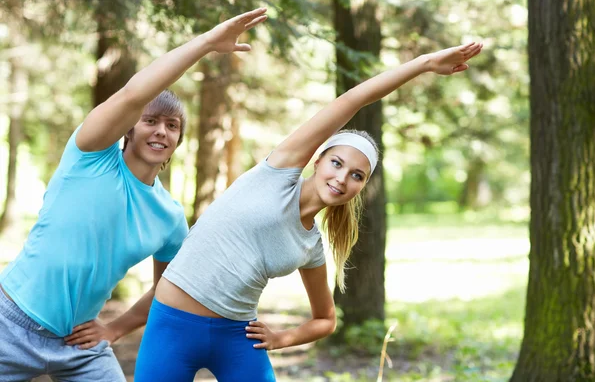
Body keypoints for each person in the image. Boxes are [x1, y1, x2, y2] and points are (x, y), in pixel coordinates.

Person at [133, 40, 483, 382]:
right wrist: (423, 64)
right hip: (173, 325)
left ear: (361, 187)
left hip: (237, 337)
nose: (342, 178)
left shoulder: (311, 245)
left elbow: (325, 319)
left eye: (357, 175)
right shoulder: (276, 174)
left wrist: (283, 338)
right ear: (317, 159)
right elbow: (354, 99)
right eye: (336, 163)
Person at [0, 8, 268, 381]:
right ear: (129, 128)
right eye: (150, 120)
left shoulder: (169, 216)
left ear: (177, 141)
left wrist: (116, 328)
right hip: (9, 324)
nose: (161, 131)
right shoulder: (90, 156)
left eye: (171, 126)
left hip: (78, 346)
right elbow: (132, 93)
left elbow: (167, 286)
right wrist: (206, 44)